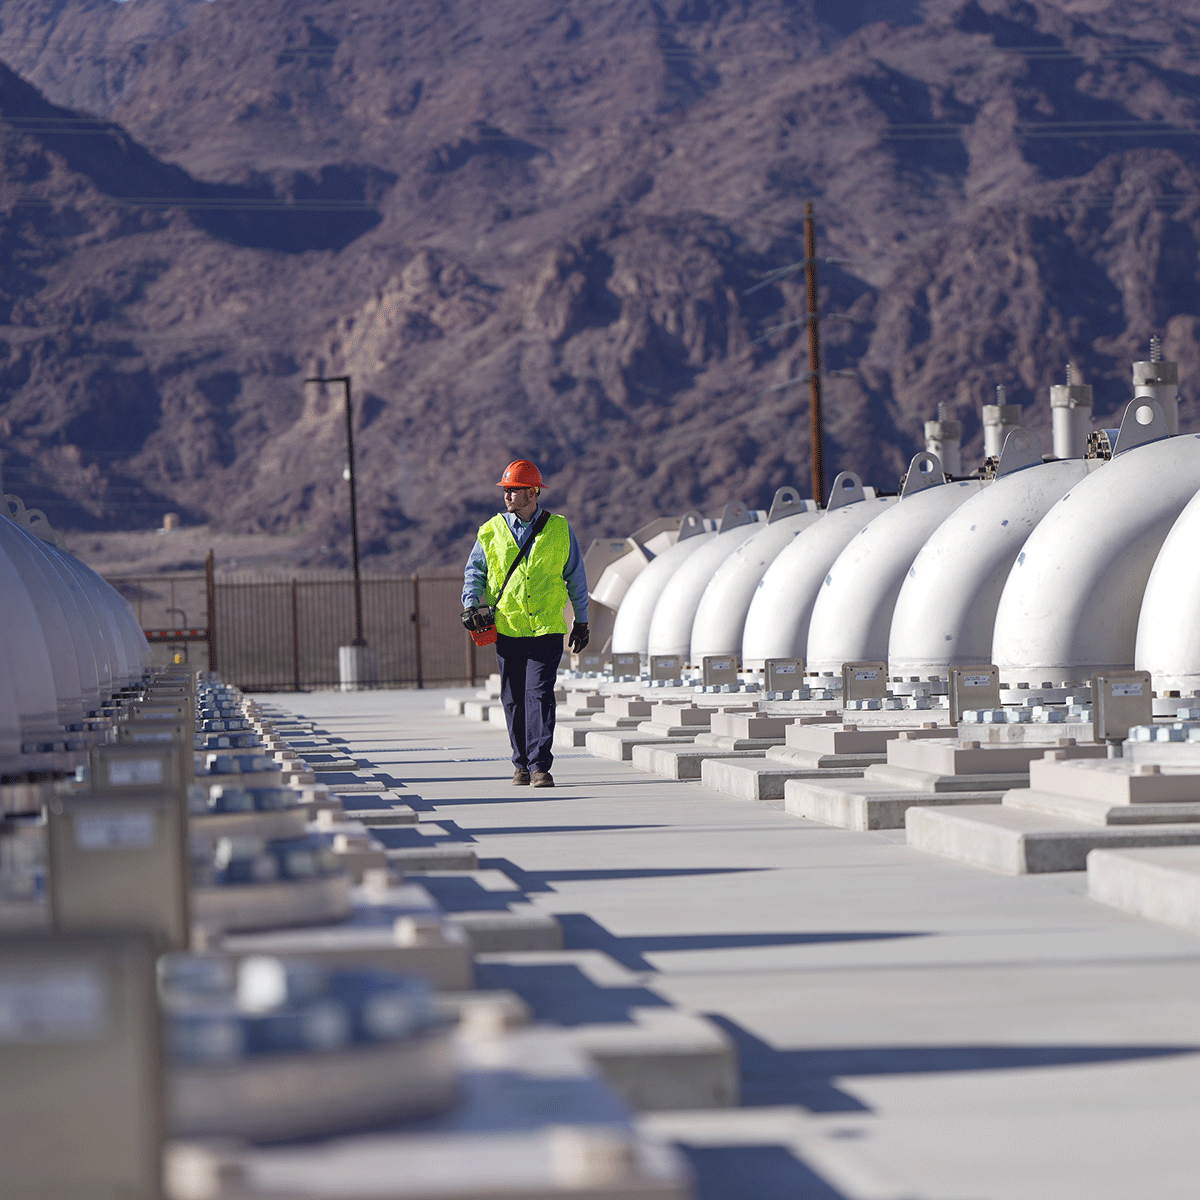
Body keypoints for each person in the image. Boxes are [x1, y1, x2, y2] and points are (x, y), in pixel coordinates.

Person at [461, 460, 589, 788]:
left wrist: (581, 621)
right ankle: (520, 763)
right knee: (514, 697)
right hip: (508, 628)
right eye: (505, 490)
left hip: (547, 628)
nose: (507, 496)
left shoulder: (559, 528)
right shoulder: (490, 531)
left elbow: (575, 577)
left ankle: (539, 766)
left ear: (532, 492)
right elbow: (475, 571)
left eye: (514, 490)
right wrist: (470, 604)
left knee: (540, 693)